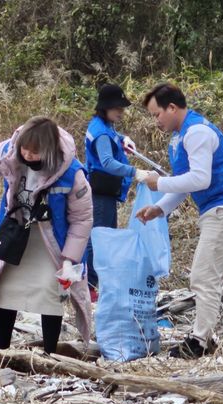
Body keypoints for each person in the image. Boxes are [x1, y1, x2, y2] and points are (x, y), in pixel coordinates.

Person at [135, 83, 223, 359]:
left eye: (156, 114)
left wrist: (157, 182)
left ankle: (200, 341)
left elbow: (200, 179)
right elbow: (186, 185)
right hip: (220, 208)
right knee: (205, 276)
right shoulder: (181, 135)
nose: (155, 120)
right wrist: (159, 209)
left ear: (172, 107)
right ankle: (205, 335)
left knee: (203, 276)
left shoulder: (196, 133)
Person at [0, 116, 93, 352]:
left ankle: (49, 353)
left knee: (50, 292)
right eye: (24, 149)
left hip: (51, 240)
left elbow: (82, 219)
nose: (27, 155)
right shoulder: (9, 151)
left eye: (34, 152)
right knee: (6, 287)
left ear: (48, 150)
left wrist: (69, 260)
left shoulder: (72, 172)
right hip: (16, 232)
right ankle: (2, 349)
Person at [84, 84, 151, 302]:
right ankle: (90, 286)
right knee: (100, 237)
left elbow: (112, 137)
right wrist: (135, 172)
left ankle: (96, 283)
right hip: (100, 191)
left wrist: (123, 139)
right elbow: (107, 162)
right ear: (105, 108)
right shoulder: (101, 132)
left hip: (106, 191)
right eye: (117, 108)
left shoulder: (105, 125)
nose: (121, 112)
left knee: (106, 235)